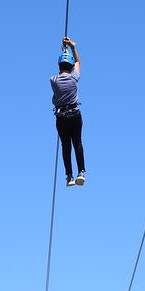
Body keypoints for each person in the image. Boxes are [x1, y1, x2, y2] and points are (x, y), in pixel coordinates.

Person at [50, 36, 86, 187]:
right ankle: (81, 172)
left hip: (61, 117)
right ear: (70, 66)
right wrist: (72, 47)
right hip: (74, 115)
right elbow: (78, 62)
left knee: (66, 145)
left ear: (59, 66)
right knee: (77, 142)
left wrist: (63, 51)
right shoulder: (74, 78)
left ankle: (69, 176)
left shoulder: (53, 80)